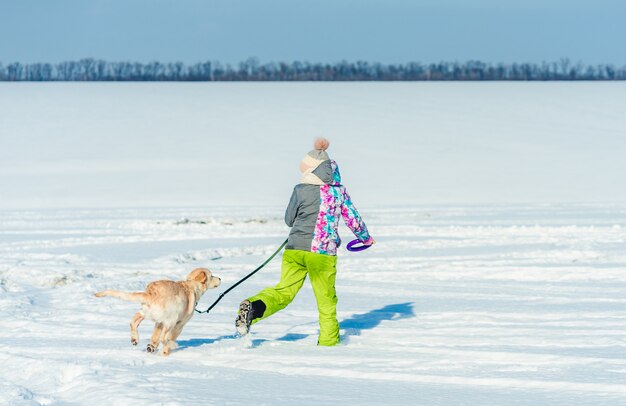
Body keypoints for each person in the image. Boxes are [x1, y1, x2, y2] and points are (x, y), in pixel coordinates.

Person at [235, 138, 375, 346]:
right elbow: (352, 218)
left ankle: (254, 307)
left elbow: (288, 220)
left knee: (284, 291)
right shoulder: (338, 192)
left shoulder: (300, 189)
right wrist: (365, 238)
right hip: (322, 255)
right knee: (326, 301)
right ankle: (329, 345)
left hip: (295, 250)